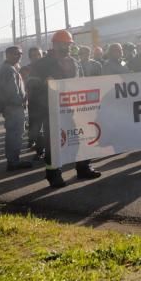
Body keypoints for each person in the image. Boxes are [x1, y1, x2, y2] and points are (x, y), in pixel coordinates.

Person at [28, 30, 100, 187]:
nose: (66, 47)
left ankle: (83, 167)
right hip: (51, 111)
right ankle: (53, 175)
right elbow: (31, 85)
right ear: (54, 44)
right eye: (63, 44)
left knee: (81, 137)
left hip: (74, 109)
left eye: (68, 44)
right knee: (54, 143)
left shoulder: (74, 62)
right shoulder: (41, 64)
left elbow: (80, 82)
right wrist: (43, 84)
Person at [0, 46, 31, 171]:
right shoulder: (8, 70)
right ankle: (13, 162)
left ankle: (13, 160)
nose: (19, 56)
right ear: (8, 54)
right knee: (14, 135)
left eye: (20, 53)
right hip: (13, 107)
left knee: (14, 134)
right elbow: (12, 92)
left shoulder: (12, 68)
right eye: (16, 54)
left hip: (13, 107)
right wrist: (23, 99)